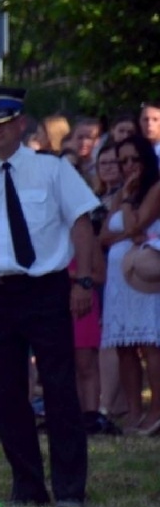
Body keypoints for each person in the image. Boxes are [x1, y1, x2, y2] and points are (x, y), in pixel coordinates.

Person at [0, 85, 101, 507]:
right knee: (7, 393)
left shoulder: (52, 170)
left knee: (59, 386)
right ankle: (28, 487)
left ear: (20, 124)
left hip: (45, 286)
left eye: (1, 125)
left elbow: (81, 223)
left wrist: (82, 280)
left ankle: (69, 489)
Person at [97, 137, 160, 435]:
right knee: (123, 347)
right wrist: (124, 197)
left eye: (134, 159)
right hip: (118, 280)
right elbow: (103, 238)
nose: (129, 166)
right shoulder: (123, 193)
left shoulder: (155, 188)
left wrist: (127, 204)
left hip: (142, 276)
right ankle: (134, 412)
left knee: (149, 346)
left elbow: (136, 226)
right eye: (123, 161)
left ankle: (156, 412)